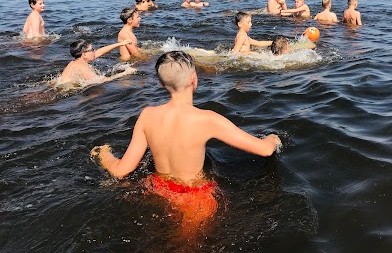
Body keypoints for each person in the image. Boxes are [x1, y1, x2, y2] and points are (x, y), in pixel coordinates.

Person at [91, 51, 281, 236]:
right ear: (193, 79)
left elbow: (121, 170)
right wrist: (272, 138)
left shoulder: (147, 116)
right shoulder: (207, 119)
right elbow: (264, 150)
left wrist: (104, 154)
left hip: (156, 189)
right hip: (194, 198)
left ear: (161, 83)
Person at [59, 39, 136, 84]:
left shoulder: (77, 61)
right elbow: (100, 81)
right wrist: (125, 73)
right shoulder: (82, 67)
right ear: (84, 54)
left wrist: (120, 44)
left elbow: (100, 52)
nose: (94, 51)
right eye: (92, 50)